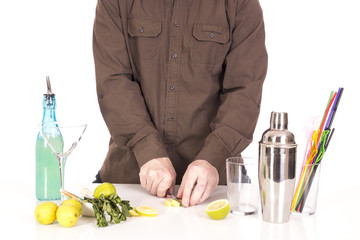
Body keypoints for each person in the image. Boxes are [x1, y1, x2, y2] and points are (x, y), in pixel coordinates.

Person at [92, 0, 267, 207]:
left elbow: (244, 90)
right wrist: (147, 148)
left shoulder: (240, 4)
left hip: (216, 191)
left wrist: (212, 157)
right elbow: (113, 81)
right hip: (130, 184)